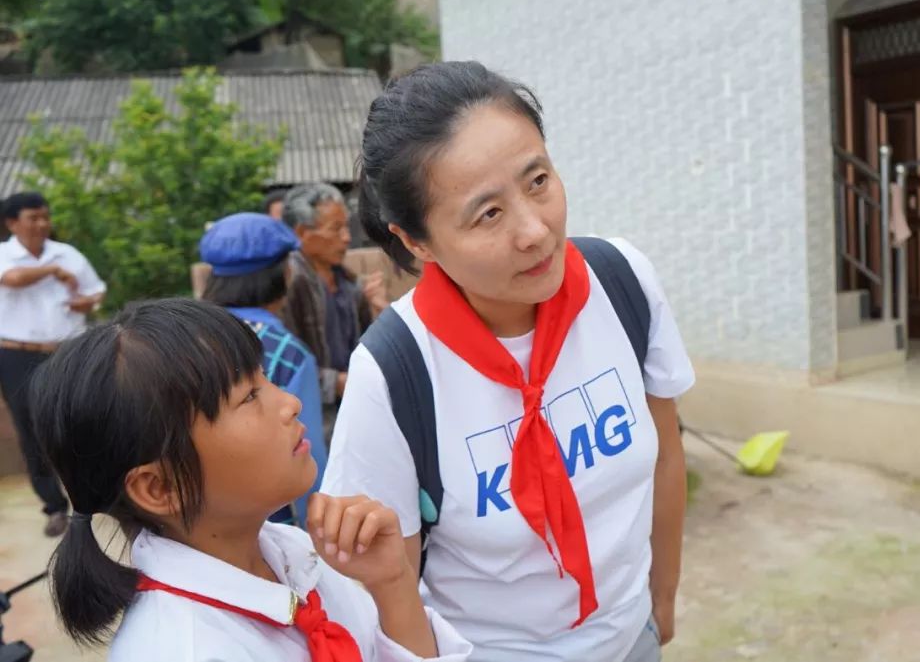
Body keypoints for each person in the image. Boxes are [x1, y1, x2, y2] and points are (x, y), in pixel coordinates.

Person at [321, 61, 695, 662]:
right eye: (487, 213)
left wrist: (663, 598)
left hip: (634, 639)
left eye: (539, 180)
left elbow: (665, 451)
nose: (535, 231)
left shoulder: (620, 280)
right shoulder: (395, 373)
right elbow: (386, 587)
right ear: (416, 243)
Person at [29, 298, 472, 662]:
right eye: (248, 398)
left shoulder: (292, 555)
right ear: (159, 488)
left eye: (267, 380)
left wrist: (393, 584)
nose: (291, 403)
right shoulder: (186, 649)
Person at [199, 212, 328, 526]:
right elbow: (307, 460)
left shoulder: (186, 338)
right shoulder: (287, 353)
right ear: (284, 275)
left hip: (194, 517)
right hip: (263, 524)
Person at [0, 191, 105, 537]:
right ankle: (55, 507)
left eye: (46, 216)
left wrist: (85, 303)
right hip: (18, 353)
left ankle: (95, 497)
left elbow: (95, 291)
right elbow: (12, 280)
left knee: (82, 418)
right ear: (13, 222)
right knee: (32, 431)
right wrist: (53, 271)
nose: (43, 223)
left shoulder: (69, 254)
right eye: (34, 217)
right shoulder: (4, 256)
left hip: (67, 349)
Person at [280, 183, 388, 431]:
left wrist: (381, 311)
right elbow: (283, 364)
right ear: (301, 233)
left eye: (346, 228)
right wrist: (335, 382)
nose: (347, 238)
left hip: (354, 406)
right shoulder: (290, 283)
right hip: (312, 417)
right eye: (336, 229)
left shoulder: (349, 283)